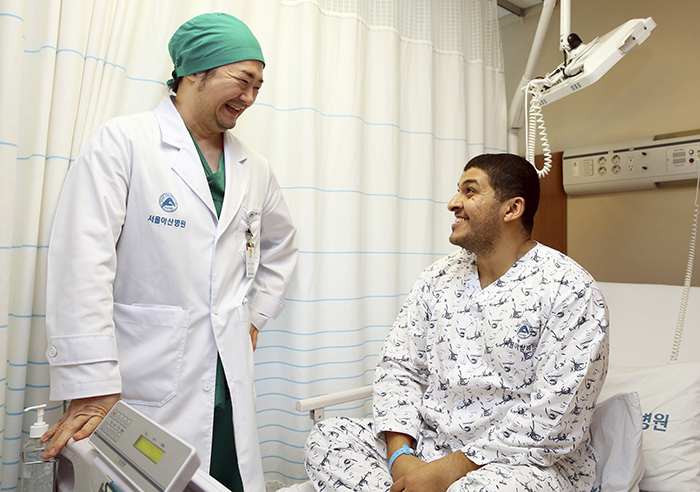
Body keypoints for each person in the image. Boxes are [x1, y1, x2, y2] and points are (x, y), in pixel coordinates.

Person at [42, 12, 298, 492]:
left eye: (258, 87)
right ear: (194, 73)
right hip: (144, 371)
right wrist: (90, 384)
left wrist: (255, 316)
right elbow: (81, 261)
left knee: (223, 477)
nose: (249, 97)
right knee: (137, 478)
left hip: (227, 374)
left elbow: (281, 244)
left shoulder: (253, 166)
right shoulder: (124, 142)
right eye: (242, 80)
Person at [304, 153, 609, 492]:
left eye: (470, 191)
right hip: (429, 447)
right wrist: (401, 458)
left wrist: (447, 473)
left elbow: (555, 414)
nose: (453, 203)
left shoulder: (569, 289)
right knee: (328, 438)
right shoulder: (437, 278)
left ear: (512, 209)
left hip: (519, 464)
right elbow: (399, 368)